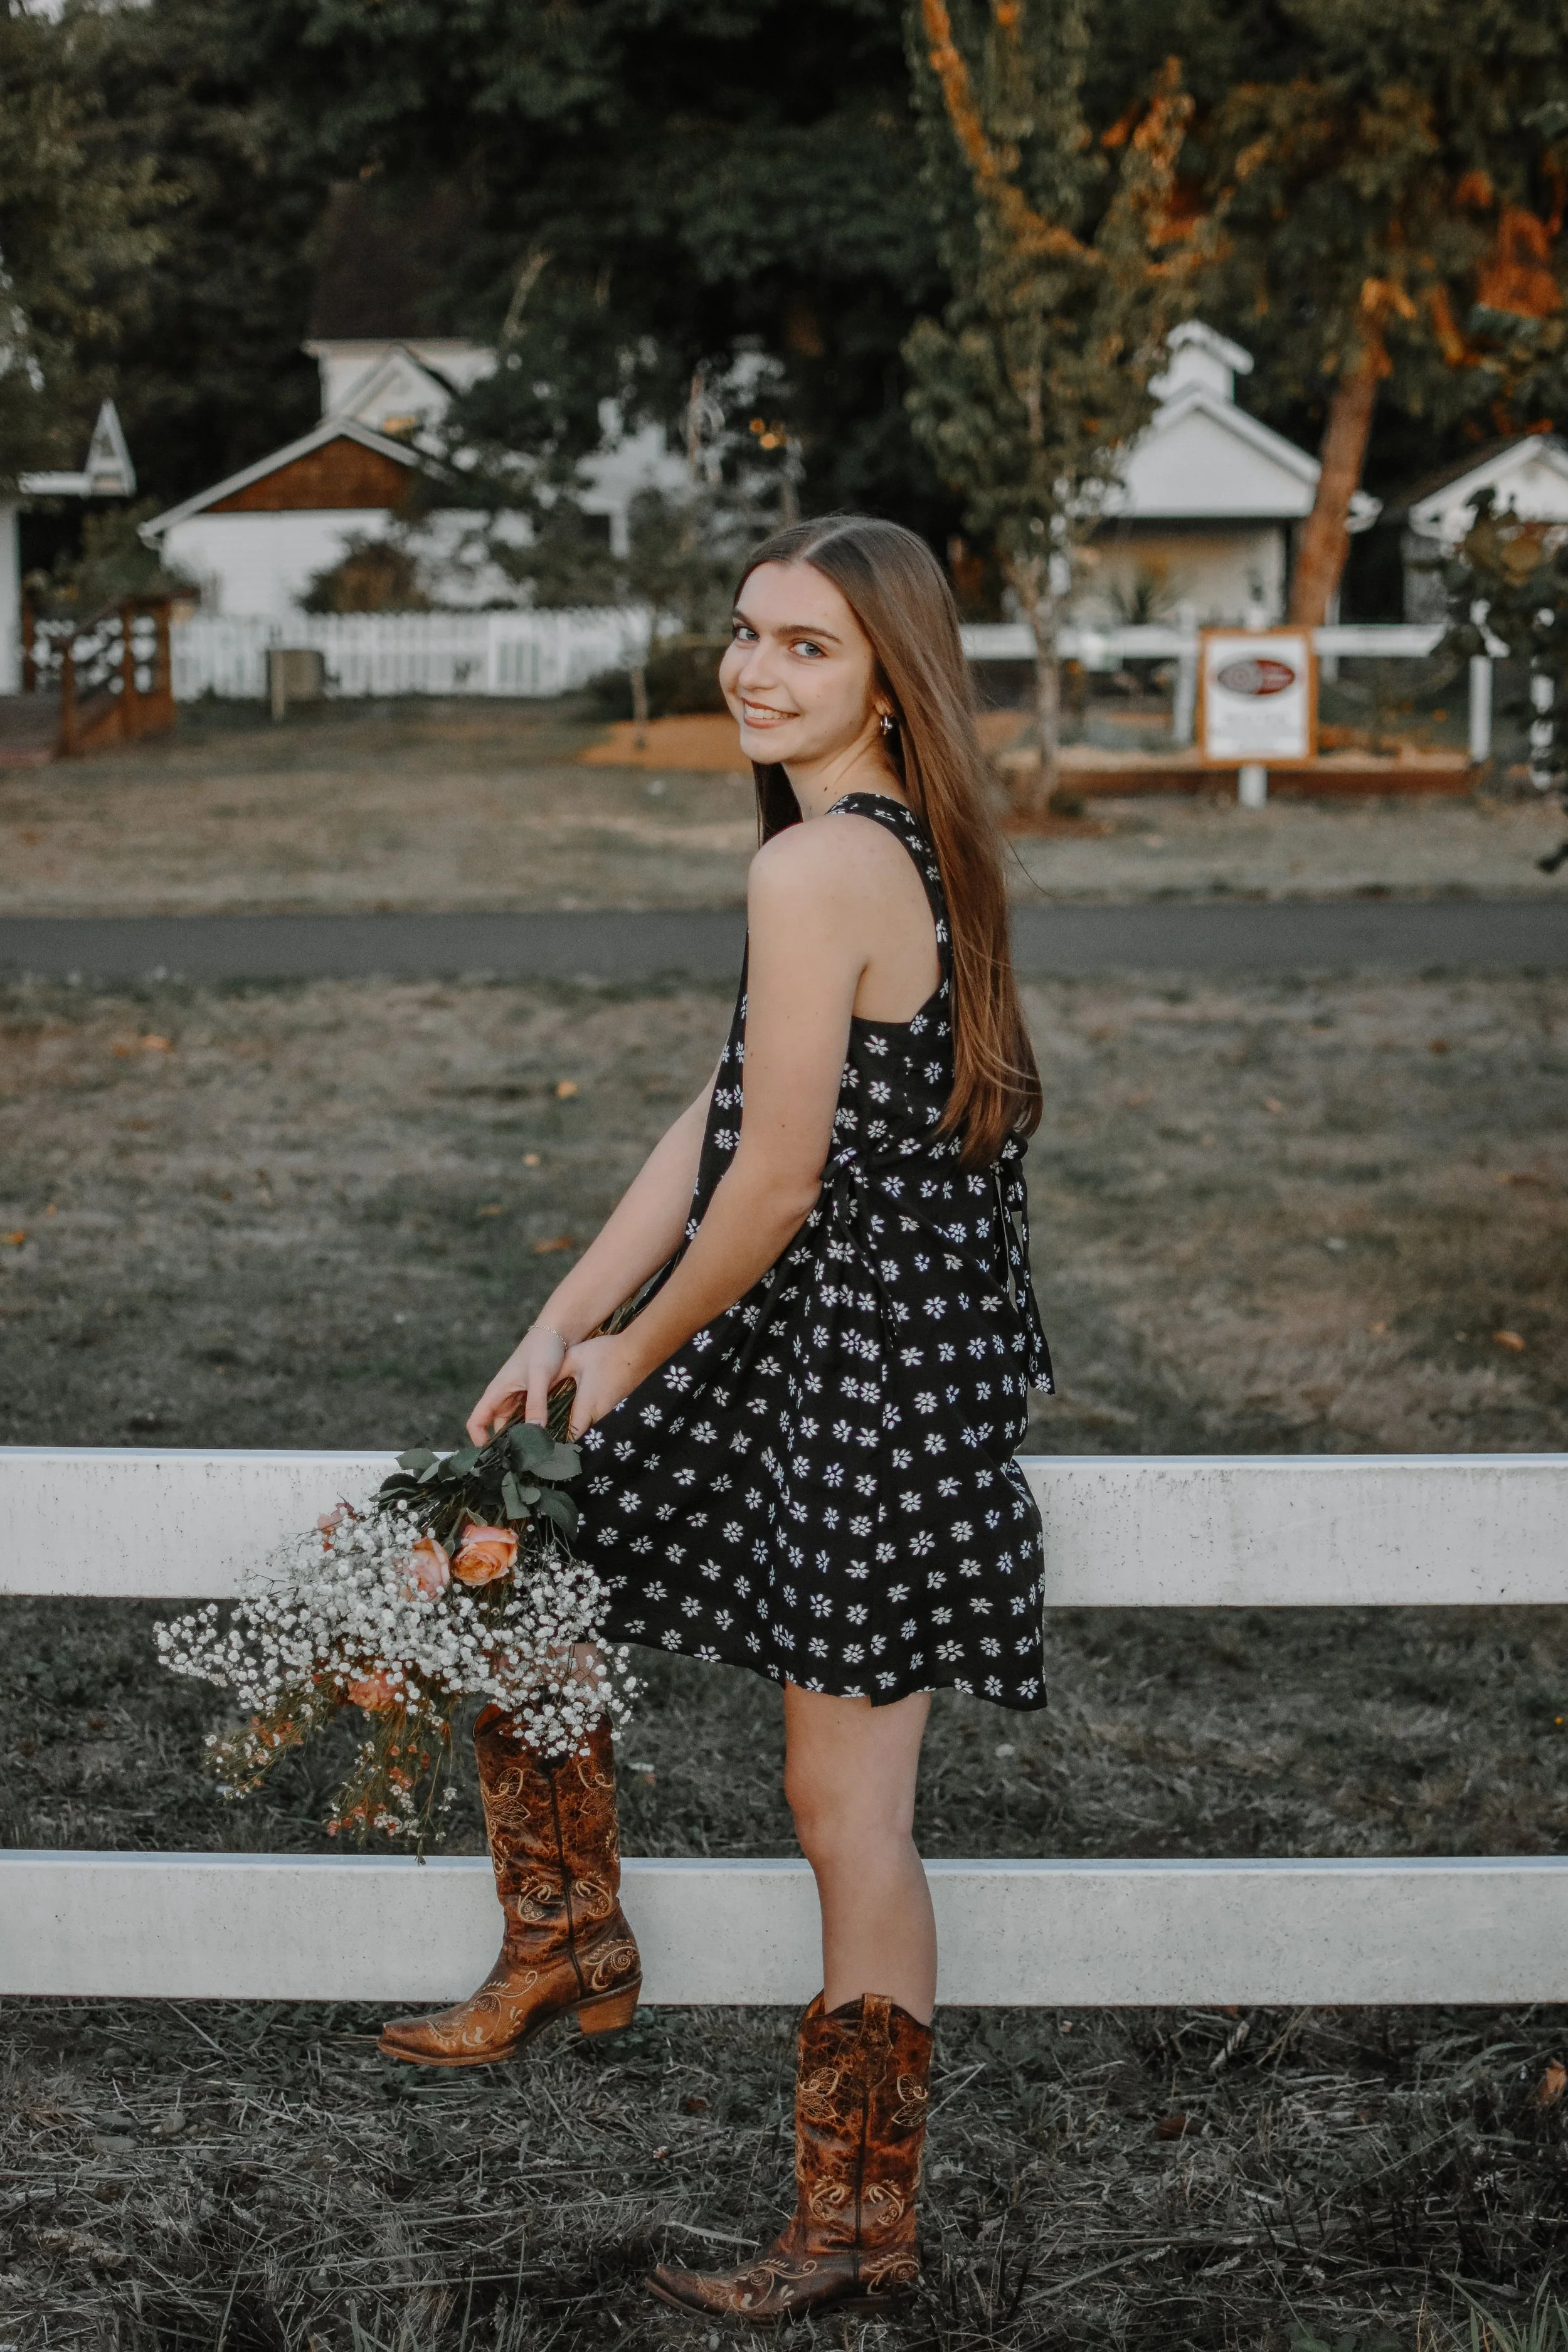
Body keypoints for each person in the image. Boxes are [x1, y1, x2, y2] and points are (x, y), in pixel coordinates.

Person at [377, 514, 1052, 2319]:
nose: (755, 668)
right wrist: (556, 1325)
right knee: (517, 1539)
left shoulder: (820, 862)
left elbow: (767, 1192)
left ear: (887, 683)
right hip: (854, 1352)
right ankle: (569, 1931)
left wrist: (636, 1351)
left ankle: (850, 2224)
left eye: (806, 646)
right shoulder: (879, 846)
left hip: (858, 1369)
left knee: (843, 1809)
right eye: (744, 631)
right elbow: (719, 1116)